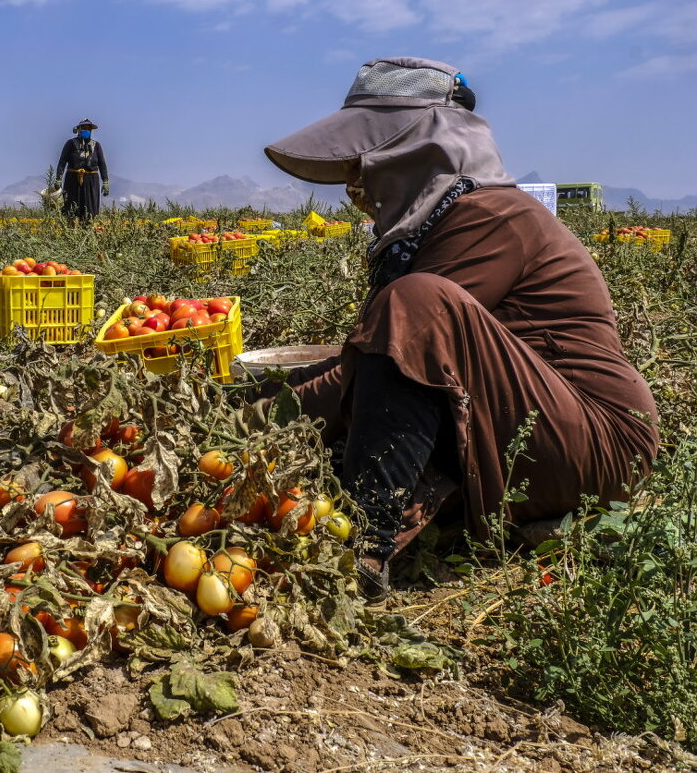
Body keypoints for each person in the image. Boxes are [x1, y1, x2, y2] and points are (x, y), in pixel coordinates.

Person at [257, 57, 659, 600]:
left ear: (416, 151)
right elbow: (374, 361)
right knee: (398, 331)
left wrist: (261, 416)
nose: (359, 178)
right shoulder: (448, 221)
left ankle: (364, 546)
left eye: (367, 159)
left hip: (596, 437)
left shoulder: (492, 216)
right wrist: (269, 397)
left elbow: (409, 332)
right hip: (538, 426)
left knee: (414, 303)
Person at [55, 119, 109, 220]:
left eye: (89, 128)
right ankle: (72, 230)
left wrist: (105, 181)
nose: (86, 130)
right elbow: (62, 162)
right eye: (84, 128)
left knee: (90, 209)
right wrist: (58, 178)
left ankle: (88, 229)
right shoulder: (70, 144)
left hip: (92, 181)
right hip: (73, 180)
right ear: (79, 129)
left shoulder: (96, 145)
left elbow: (102, 164)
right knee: (72, 207)